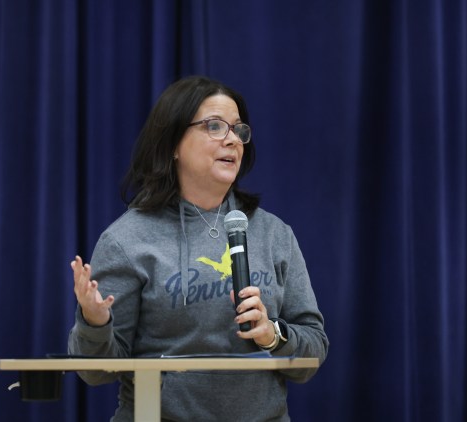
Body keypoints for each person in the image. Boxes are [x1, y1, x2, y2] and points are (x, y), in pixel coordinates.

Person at [68, 75, 329, 421]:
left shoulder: (273, 233)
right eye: (215, 127)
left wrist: (273, 335)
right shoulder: (128, 240)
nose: (233, 140)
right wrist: (95, 322)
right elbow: (94, 372)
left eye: (238, 130)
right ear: (174, 143)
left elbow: (313, 350)